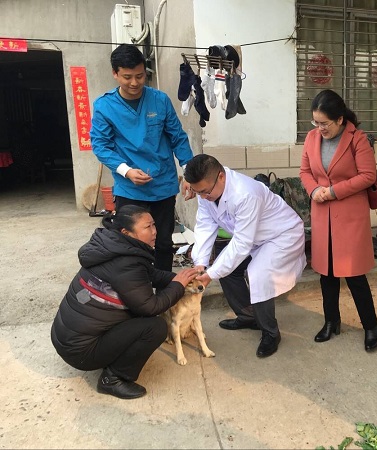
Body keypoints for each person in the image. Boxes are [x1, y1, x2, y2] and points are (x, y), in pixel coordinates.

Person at [50, 205, 201, 399]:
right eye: (147, 227)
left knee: (136, 310)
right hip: (81, 352)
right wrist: (178, 286)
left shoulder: (112, 247)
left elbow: (150, 275)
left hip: (68, 339)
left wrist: (181, 279)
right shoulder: (125, 263)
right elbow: (151, 307)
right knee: (154, 326)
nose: (154, 231)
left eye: (154, 225)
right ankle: (113, 379)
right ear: (126, 232)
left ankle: (111, 356)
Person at [183, 154, 306, 358]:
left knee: (259, 274)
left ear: (221, 176)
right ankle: (248, 316)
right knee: (226, 269)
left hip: (282, 235)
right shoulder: (206, 190)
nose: (202, 197)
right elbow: (205, 223)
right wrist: (200, 263)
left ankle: (270, 333)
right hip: (256, 238)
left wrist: (210, 274)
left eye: (205, 192)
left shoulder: (246, 193)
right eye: (198, 192)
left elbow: (241, 243)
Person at [90, 44, 194, 271]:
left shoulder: (160, 100)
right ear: (115, 73)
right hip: (129, 189)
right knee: (131, 243)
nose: (134, 83)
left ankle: (165, 286)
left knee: (163, 242)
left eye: (139, 76)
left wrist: (189, 171)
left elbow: (177, 137)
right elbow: (101, 146)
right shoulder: (104, 106)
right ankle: (137, 286)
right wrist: (126, 171)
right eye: (127, 77)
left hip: (162, 184)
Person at [299, 89, 377, 352]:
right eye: (316, 122)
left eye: (325, 123)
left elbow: (368, 175)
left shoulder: (358, 139)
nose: (319, 128)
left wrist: (334, 191)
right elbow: (305, 171)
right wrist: (313, 190)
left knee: (354, 275)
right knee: (327, 274)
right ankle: (331, 321)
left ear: (340, 119)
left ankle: (371, 326)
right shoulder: (311, 138)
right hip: (322, 215)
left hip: (349, 216)